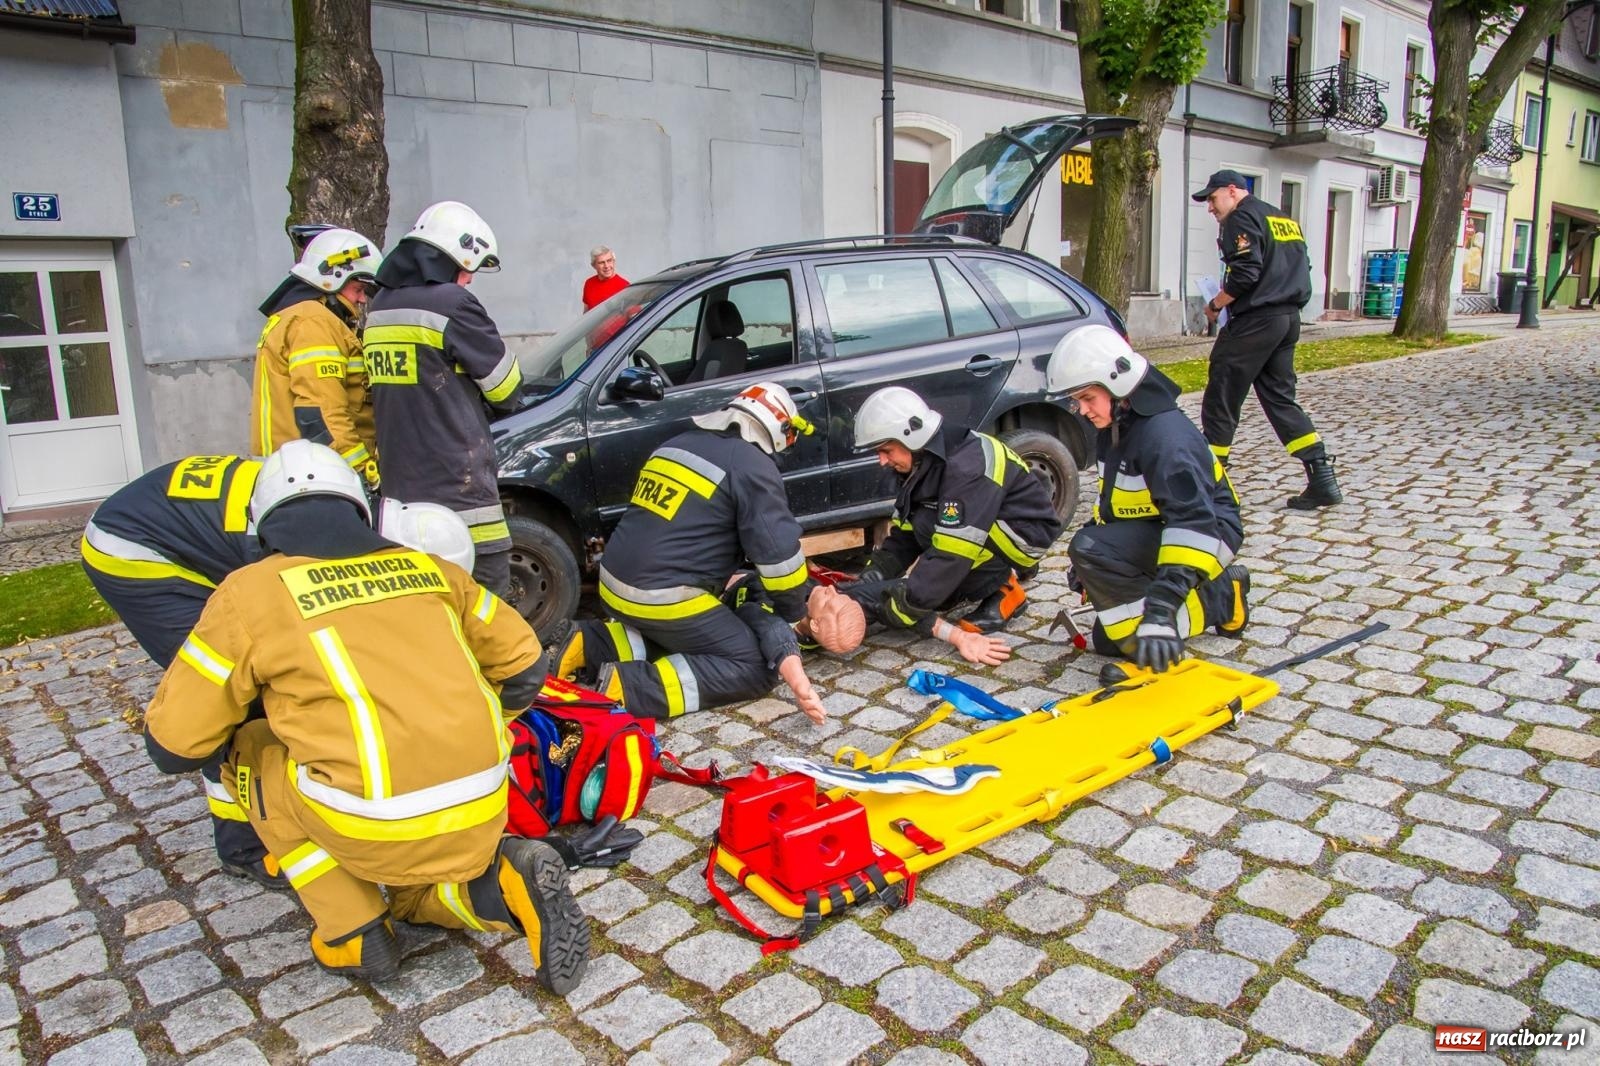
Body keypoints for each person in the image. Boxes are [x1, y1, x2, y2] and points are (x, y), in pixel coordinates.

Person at [140, 441, 589, 988]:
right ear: (359, 508)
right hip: (482, 804)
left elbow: (174, 746)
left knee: (253, 753)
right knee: (415, 893)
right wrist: (478, 728)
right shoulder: (429, 569)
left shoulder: (249, 593)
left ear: (263, 526)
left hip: (368, 823)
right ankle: (505, 889)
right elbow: (523, 665)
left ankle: (353, 932)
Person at [551, 382, 816, 719]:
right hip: (663, 596)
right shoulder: (751, 465)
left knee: (697, 637)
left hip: (613, 582)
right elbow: (778, 556)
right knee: (752, 664)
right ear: (779, 430)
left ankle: (590, 644)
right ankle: (628, 688)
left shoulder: (676, 444)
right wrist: (792, 611)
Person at [80, 454, 278, 887]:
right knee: (233, 694)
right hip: (132, 548)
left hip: (191, 533)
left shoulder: (330, 503)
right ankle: (243, 847)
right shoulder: (284, 544)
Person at [1048, 325, 1251, 673]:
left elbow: (1193, 527)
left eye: (1087, 398)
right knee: (1105, 636)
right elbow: (1113, 505)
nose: (1081, 410)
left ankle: (1147, 653)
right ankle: (1223, 598)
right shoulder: (1117, 428)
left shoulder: (1165, 439)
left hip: (1209, 535)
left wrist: (1160, 609)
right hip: (1164, 527)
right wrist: (1091, 571)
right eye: (1076, 401)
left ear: (1119, 384)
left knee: (1091, 549)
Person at [364, 201, 521, 597]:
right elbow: (505, 389)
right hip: (460, 490)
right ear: (454, 257)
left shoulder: (379, 307)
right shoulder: (453, 303)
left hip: (402, 498)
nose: (469, 280)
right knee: (489, 608)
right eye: (470, 268)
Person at [848, 386, 1062, 634]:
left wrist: (907, 606)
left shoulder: (966, 466)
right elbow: (906, 532)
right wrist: (875, 573)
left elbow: (953, 550)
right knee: (928, 529)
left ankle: (1004, 587)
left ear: (912, 436)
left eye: (886, 450)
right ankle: (968, 583)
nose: (882, 461)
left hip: (1024, 536)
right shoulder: (922, 464)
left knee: (934, 529)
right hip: (989, 526)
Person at [1193, 170, 1342, 509]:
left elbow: (1246, 272)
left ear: (1232, 191)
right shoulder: (1281, 217)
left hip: (1257, 319)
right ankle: (1320, 475)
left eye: (1213, 199)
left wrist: (1216, 304)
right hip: (1287, 319)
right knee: (1279, 397)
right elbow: (1302, 264)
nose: (1210, 208)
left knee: (1223, 391)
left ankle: (1209, 484)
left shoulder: (1240, 218)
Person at [252, 229, 383, 491]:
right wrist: (361, 473)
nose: (361, 299)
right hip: (315, 476)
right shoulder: (314, 323)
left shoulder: (298, 316)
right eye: (358, 288)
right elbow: (322, 413)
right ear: (331, 277)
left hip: (295, 472)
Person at [581, 246, 628, 310]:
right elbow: (586, 312)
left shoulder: (625, 286)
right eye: (601, 262)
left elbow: (635, 315)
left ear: (614, 262)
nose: (606, 266)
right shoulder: (589, 283)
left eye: (609, 261)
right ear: (593, 266)